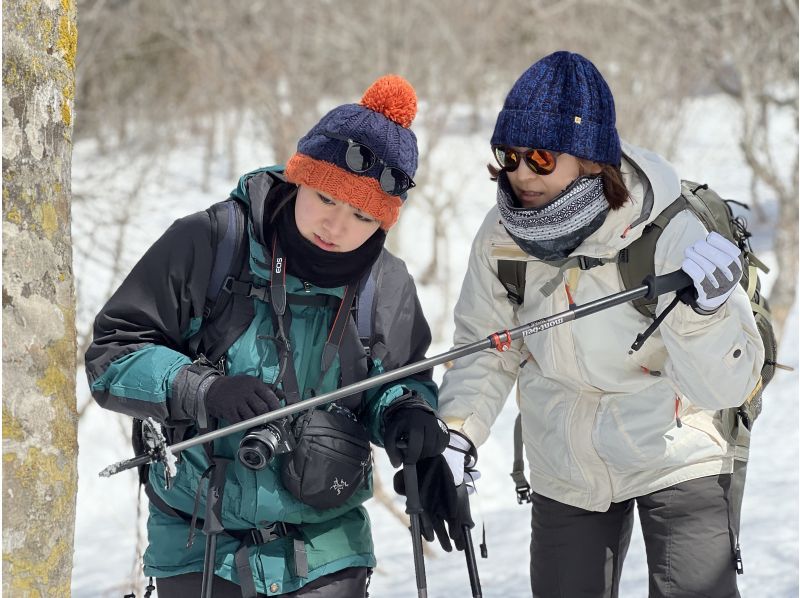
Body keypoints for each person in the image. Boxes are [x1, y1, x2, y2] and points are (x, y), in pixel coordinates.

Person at [409, 52, 765, 597]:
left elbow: (729, 386)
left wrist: (706, 315)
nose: (521, 173)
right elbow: (488, 347)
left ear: (592, 159)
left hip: (673, 447)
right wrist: (457, 435)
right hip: (565, 459)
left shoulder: (670, 230)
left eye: (542, 158)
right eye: (509, 155)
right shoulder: (502, 235)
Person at [85, 75, 449, 598]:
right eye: (325, 196)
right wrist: (203, 390)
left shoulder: (386, 285)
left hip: (327, 547)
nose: (336, 225)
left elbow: (396, 383)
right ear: (300, 175)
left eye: (362, 215)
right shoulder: (212, 242)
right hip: (198, 543)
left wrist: (405, 414)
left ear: (383, 221)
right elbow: (113, 353)